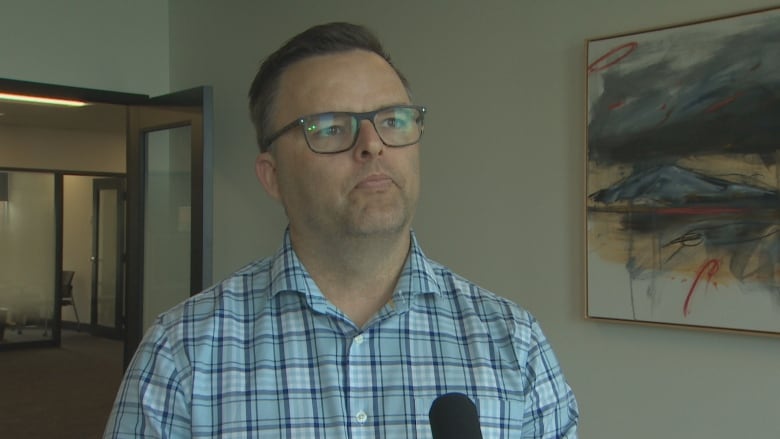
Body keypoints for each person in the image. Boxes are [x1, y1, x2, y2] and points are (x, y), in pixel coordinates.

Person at [103, 22, 579, 438]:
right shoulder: (181, 353)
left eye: (393, 120)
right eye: (330, 127)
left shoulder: (513, 343)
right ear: (272, 176)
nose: (372, 145)